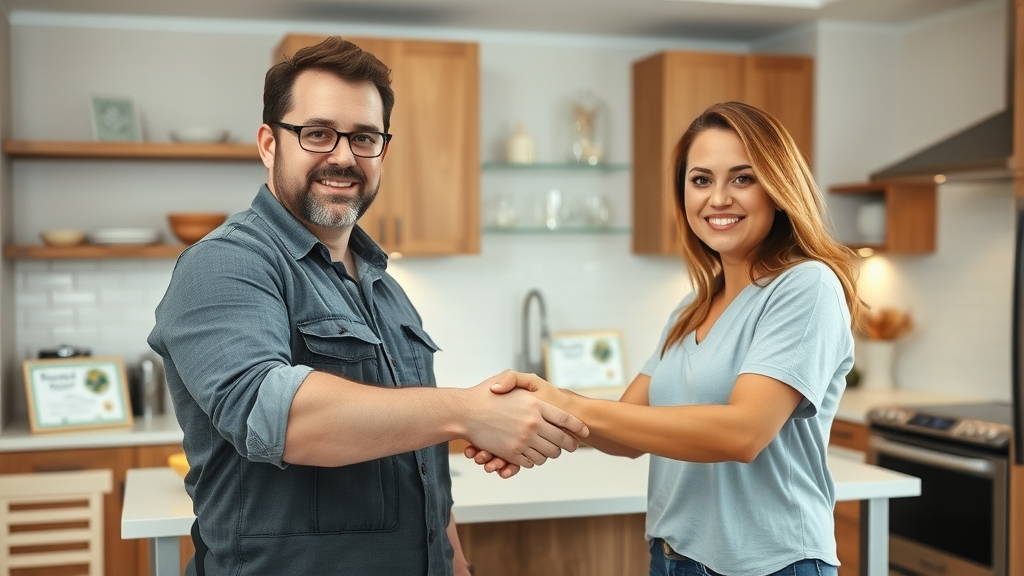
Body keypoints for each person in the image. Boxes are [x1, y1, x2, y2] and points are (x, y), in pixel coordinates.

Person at [147, 37, 587, 576]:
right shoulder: (226, 264)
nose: (343, 156)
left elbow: (420, 463)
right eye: (317, 133)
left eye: (364, 137)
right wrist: (467, 413)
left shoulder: (385, 287)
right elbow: (276, 416)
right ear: (268, 144)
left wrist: (456, 561)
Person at [472, 101, 862, 576]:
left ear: (778, 189)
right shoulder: (692, 307)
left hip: (772, 564)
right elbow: (628, 434)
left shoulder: (805, 286)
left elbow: (743, 433)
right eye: (701, 180)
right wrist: (522, 416)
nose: (718, 198)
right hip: (674, 557)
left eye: (742, 178)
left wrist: (567, 403)